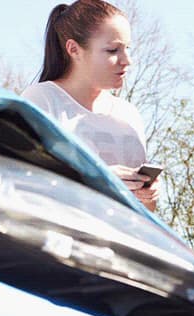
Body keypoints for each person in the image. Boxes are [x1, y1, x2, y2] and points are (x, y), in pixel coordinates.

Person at [22, 0, 159, 211]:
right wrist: (99, 180)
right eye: (112, 50)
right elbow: (25, 185)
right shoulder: (42, 100)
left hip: (121, 231)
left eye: (127, 48)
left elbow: (145, 211)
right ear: (74, 49)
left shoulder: (129, 114)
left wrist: (148, 195)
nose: (127, 60)